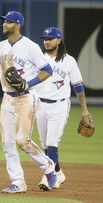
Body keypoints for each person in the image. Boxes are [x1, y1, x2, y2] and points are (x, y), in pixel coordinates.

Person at [0, 11, 57, 193]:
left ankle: (49, 169)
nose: (4, 24)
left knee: (22, 141)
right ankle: (18, 182)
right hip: (7, 99)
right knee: (7, 143)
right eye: (4, 21)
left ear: (18, 25)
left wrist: (29, 82)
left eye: (8, 22)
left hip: (26, 97)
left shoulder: (31, 46)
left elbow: (47, 70)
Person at [36, 27, 91, 190]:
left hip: (59, 105)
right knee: (45, 144)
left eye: (50, 38)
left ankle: (48, 178)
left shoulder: (69, 61)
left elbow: (78, 87)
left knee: (52, 143)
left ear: (59, 40)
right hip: (40, 104)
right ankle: (58, 173)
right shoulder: (38, 58)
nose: (46, 41)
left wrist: (85, 110)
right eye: (45, 38)